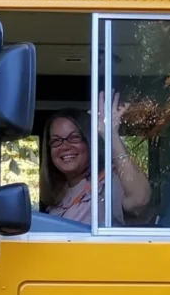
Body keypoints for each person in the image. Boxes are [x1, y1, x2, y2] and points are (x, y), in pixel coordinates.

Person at [39, 90, 151, 226]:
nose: (64, 146)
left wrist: (111, 136)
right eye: (56, 141)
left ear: (89, 142)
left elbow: (140, 200)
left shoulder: (107, 183)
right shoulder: (58, 193)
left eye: (74, 138)